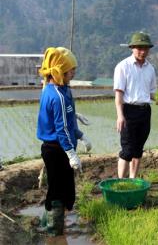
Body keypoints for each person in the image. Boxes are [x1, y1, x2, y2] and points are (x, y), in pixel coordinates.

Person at [37, 47, 91, 236]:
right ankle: (54, 231)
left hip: (56, 148)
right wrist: (71, 152)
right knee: (59, 191)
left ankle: (46, 223)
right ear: (60, 70)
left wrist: (77, 128)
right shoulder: (57, 95)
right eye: (71, 69)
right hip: (56, 150)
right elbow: (61, 129)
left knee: (59, 188)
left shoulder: (58, 89)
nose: (74, 72)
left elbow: (61, 119)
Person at [113, 32, 157, 179]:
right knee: (127, 150)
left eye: (145, 48)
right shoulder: (123, 67)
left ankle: (133, 180)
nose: (142, 51)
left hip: (145, 111)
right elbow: (119, 94)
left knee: (138, 149)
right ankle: (120, 181)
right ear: (132, 48)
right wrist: (120, 116)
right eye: (139, 48)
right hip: (128, 111)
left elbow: (151, 93)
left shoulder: (150, 69)